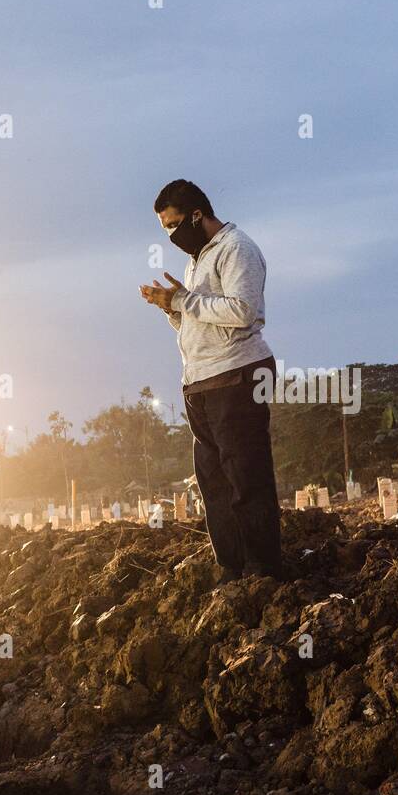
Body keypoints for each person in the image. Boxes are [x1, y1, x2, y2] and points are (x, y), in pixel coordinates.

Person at [139, 179, 284, 580]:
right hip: (201, 382)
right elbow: (202, 320)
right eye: (164, 228)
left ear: (197, 214)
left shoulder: (238, 249)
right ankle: (233, 569)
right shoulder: (197, 259)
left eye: (173, 224)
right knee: (216, 488)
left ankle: (264, 572)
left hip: (236, 374)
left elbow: (240, 311)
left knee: (246, 481)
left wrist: (183, 300)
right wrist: (171, 308)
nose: (170, 235)